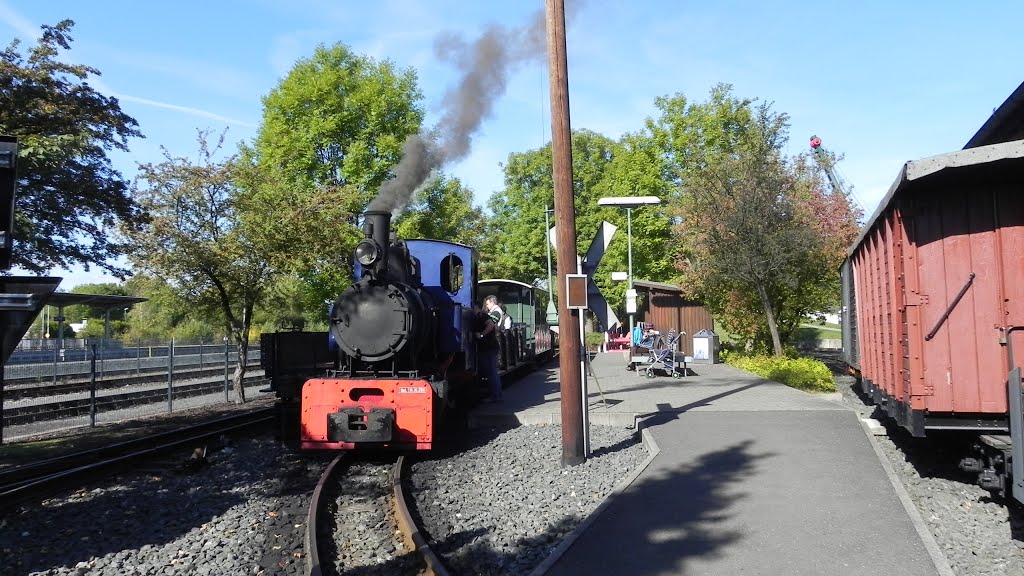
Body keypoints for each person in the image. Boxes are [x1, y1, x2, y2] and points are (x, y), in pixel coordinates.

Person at [474, 295, 503, 402]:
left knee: (491, 372)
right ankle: (497, 395)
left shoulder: (482, 315)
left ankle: (495, 396)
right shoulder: (482, 315)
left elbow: (491, 325)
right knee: (492, 372)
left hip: (489, 347)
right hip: (488, 347)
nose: (486, 306)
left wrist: (481, 335)